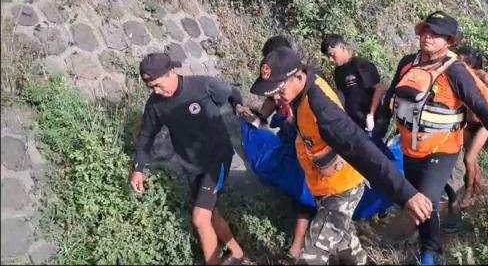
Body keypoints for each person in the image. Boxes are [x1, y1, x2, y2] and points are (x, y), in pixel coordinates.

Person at [250, 48, 433, 265]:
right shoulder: (303, 88)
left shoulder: (322, 107)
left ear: (299, 76)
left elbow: (361, 147)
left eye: (279, 91)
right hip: (324, 188)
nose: (276, 98)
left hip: (341, 190)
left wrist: (406, 193)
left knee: (311, 258)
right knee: (349, 253)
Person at [373, 11, 488, 265]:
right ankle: (425, 247)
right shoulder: (408, 63)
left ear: (449, 40)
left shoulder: (456, 71)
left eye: (435, 34)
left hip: (443, 150)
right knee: (415, 202)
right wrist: (376, 138)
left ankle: (430, 255)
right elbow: (389, 101)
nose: (427, 37)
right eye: (425, 31)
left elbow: (484, 109)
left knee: (427, 200)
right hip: (411, 150)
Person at [129, 53, 253, 265]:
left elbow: (230, 91)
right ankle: (239, 254)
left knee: (199, 218)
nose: (157, 92)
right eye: (152, 89)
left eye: (159, 85)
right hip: (192, 166)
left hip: (217, 158)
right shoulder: (155, 106)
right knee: (211, 214)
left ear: (172, 73)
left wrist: (238, 106)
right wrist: (139, 168)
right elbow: (146, 136)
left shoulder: (202, 86)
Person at [237, 36, 315, 263]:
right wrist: (258, 118)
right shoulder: (276, 79)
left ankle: (298, 248)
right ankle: (299, 244)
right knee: (300, 190)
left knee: (305, 192)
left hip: (309, 143)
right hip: (291, 140)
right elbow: (271, 101)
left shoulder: (306, 83)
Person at [455, 46, 488, 207]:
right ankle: (477, 189)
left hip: (484, 123)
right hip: (467, 122)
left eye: (461, 57)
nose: (457, 59)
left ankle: (468, 193)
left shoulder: (484, 77)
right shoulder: (459, 75)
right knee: (472, 160)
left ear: (469, 60)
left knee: (469, 158)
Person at [320, 34, 387, 132]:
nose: (331, 59)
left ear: (342, 48)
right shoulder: (338, 72)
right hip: (354, 123)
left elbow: (380, 88)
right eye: (328, 56)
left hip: (370, 121)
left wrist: (371, 115)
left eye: (332, 54)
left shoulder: (360, 65)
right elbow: (341, 95)